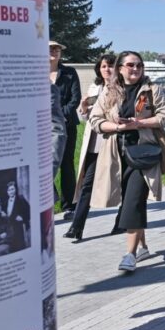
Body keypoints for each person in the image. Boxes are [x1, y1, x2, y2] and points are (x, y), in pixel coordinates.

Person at [88, 51, 165, 273]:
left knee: (134, 201)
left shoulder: (151, 89)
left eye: (139, 65)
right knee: (130, 201)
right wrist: (118, 127)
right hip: (117, 155)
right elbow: (95, 120)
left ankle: (130, 254)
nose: (135, 69)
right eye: (130, 65)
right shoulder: (109, 91)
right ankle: (143, 246)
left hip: (144, 154)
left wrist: (139, 123)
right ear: (120, 69)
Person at [65, 53, 116, 242]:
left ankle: (122, 221)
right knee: (87, 183)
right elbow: (87, 117)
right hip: (95, 141)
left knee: (122, 183)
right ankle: (76, 227)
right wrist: (84, 107)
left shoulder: (123, 87)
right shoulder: (95, 87)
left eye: (111, 65)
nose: (107, 69)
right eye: (104, 66)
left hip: (114, 140)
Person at [50, 41, 81, 218]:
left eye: (57, 49)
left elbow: (75, 99)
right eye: (50, 48)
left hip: (67, 124)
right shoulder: (35, 72)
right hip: (42, 127)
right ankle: (49, 200)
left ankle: (69, 205)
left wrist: (60, 116)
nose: (54, 51)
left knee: (66, 164)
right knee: (45, 165)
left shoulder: (69, 73)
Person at [3, 180, 30, 252]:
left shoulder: (20, 199)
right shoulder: (6, 202)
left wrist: (23, 218)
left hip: (19, 227)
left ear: (15, 190)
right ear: (7, 192)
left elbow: (28, 210)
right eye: (9, 190)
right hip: (10, 228)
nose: (11, 191)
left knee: (20, 245)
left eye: (12, 189)